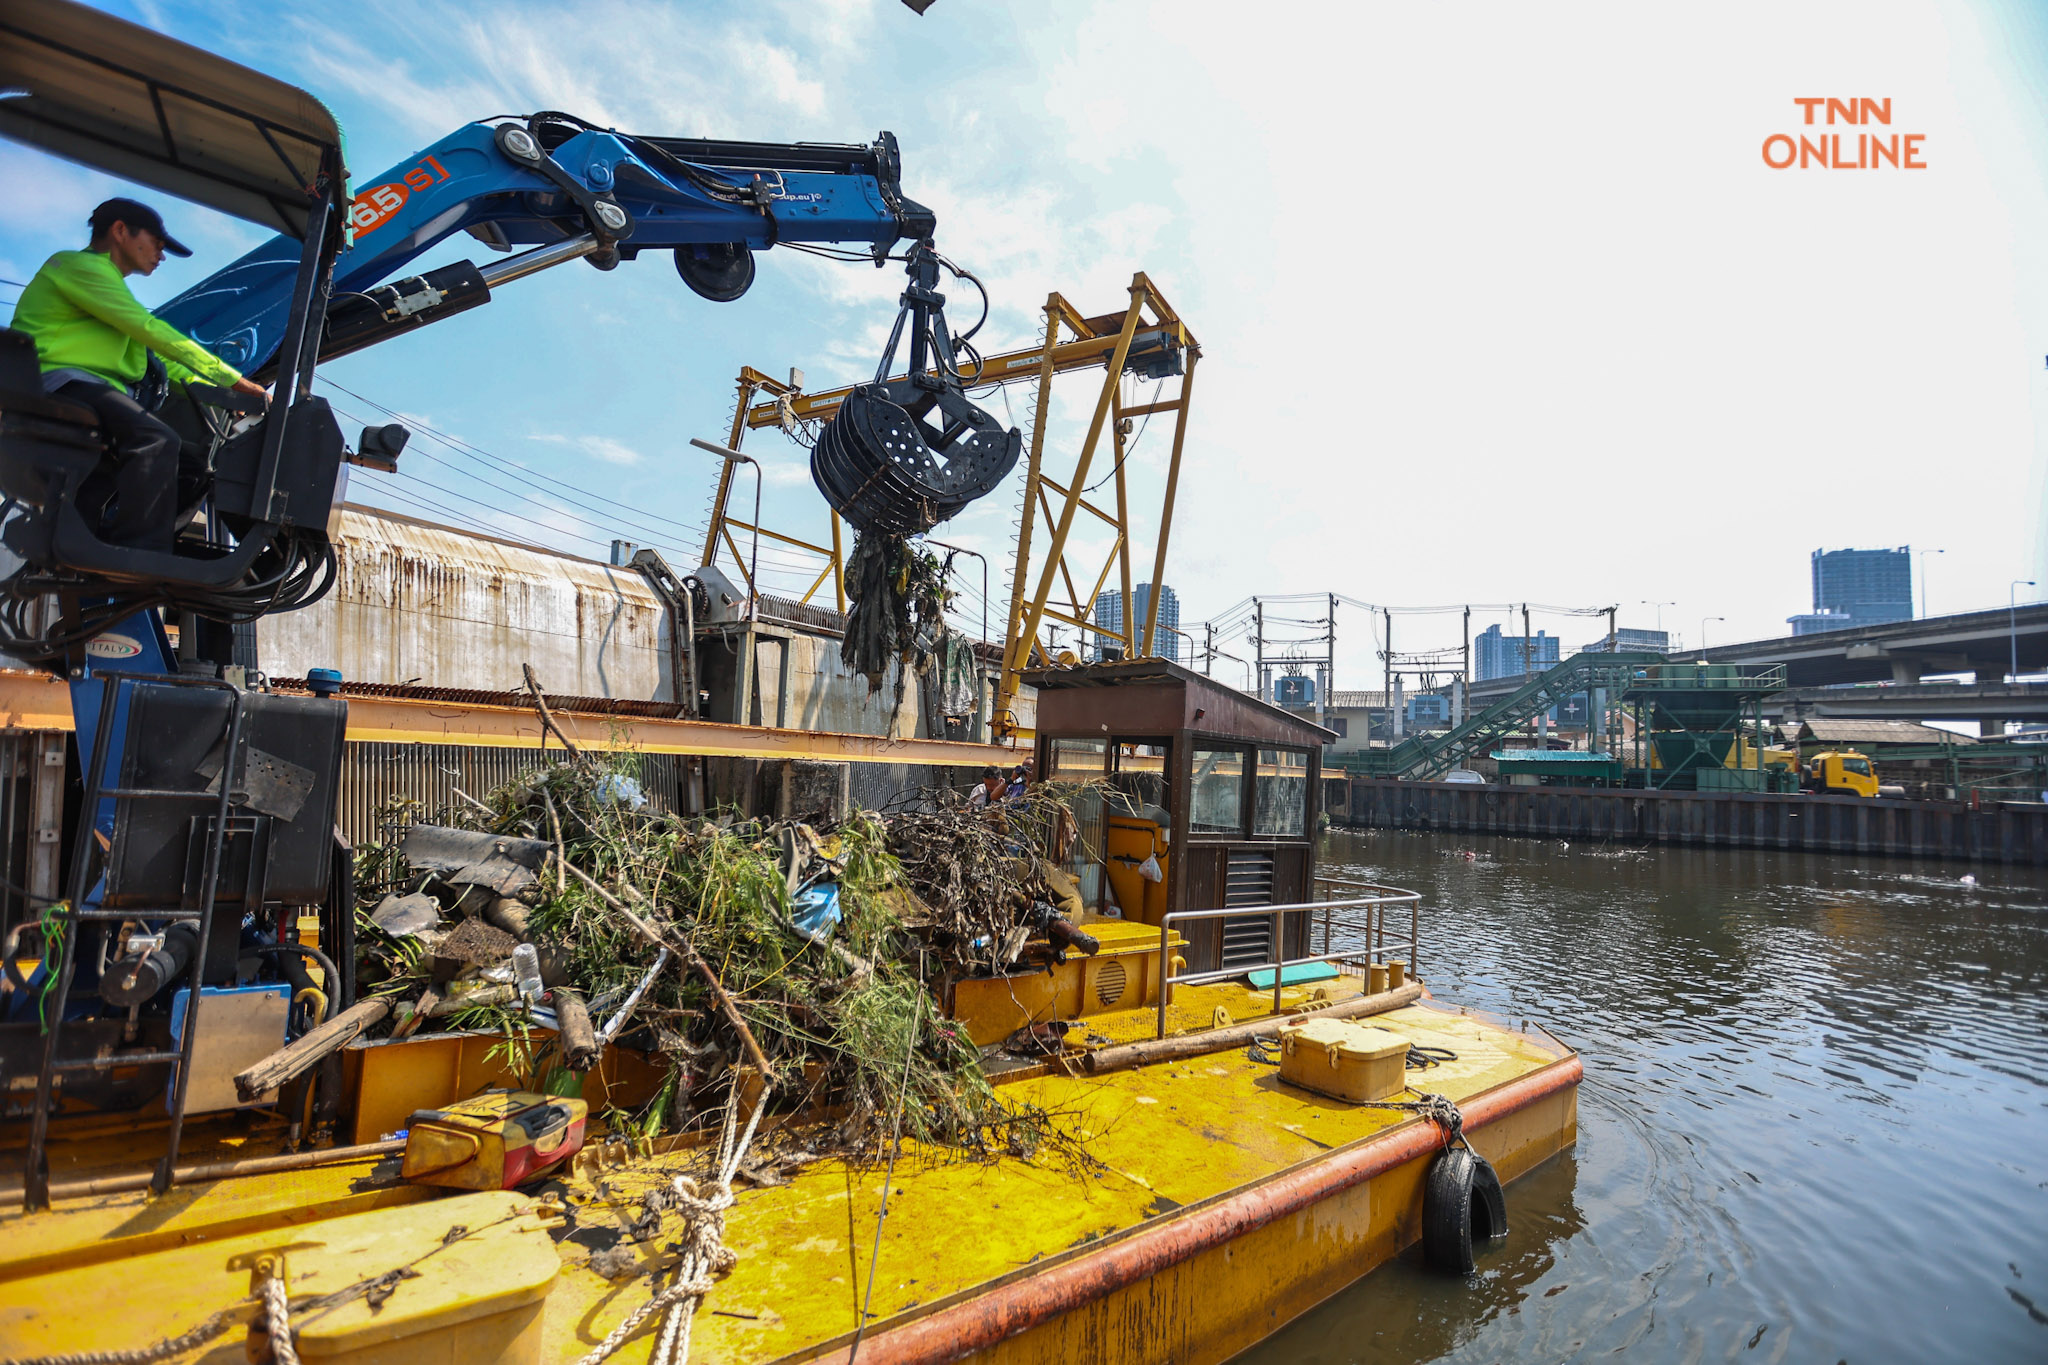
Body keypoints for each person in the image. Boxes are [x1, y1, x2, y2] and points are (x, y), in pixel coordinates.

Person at [9, 198, 267, 552]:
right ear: (119, 231)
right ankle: (141, 552)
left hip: (91, 391)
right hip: (60, 383)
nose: (161, 257)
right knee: (156, 440)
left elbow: (159, 362)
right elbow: (149, 329)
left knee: (183, 466)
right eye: (158, 245)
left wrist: (222, 395)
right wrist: (234, 380)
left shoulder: (110, 294)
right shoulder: (77, 267)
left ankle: (83, 543)